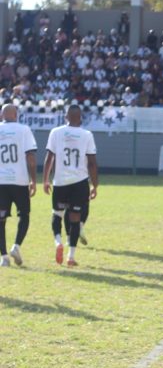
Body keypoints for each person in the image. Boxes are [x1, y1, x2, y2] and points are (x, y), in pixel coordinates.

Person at [43, 104, 98, 267]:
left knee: (57, 214)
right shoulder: (87, 135)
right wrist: (95, 185)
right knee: (75, 218)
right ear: (80, 118)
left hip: (60, 181)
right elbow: (92, 163)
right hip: (80, 183)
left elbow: (49, 158)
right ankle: (71, 256)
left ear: (66, 117)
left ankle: (58, 242)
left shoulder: (56, 132)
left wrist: (45, 179)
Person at [0, 104, 37, 267]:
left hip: (1, 182)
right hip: (20, 181)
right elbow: (30, 156)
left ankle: (4, 257)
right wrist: (33, 179)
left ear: (2, 115)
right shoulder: (24, 130)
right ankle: (16, 246)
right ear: (16, 115)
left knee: (1, 220)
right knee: (24, 215)